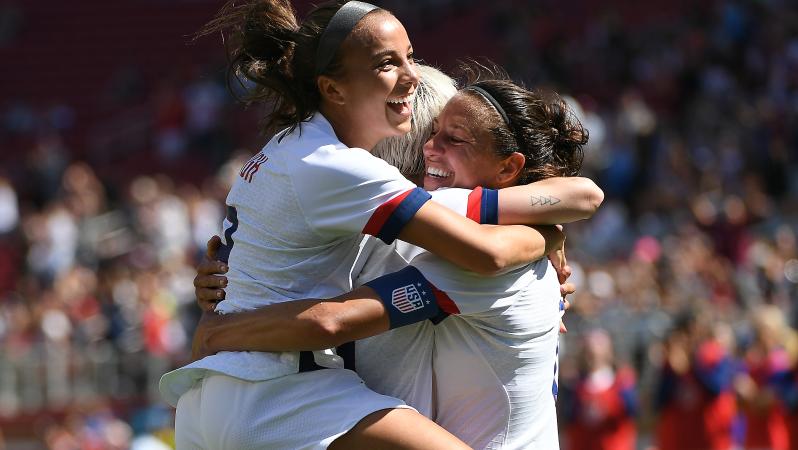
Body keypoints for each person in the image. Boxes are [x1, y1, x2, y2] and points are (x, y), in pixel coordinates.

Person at [159, 1, 570, 449]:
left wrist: (221, 324)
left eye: (451, 139)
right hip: (272, 397)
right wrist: (547, 231)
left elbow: (330, 315)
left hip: (228, 399)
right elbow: (522, 229)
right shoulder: (361, 193)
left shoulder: (301, 155)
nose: (432, 149)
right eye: (431, 135)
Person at [561, 329, 637, 450]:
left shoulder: (621, 383)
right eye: (589, 352)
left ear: (609, 352)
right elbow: (569, 419)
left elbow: (632, 412)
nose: (594, 355)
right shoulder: (576, 386)